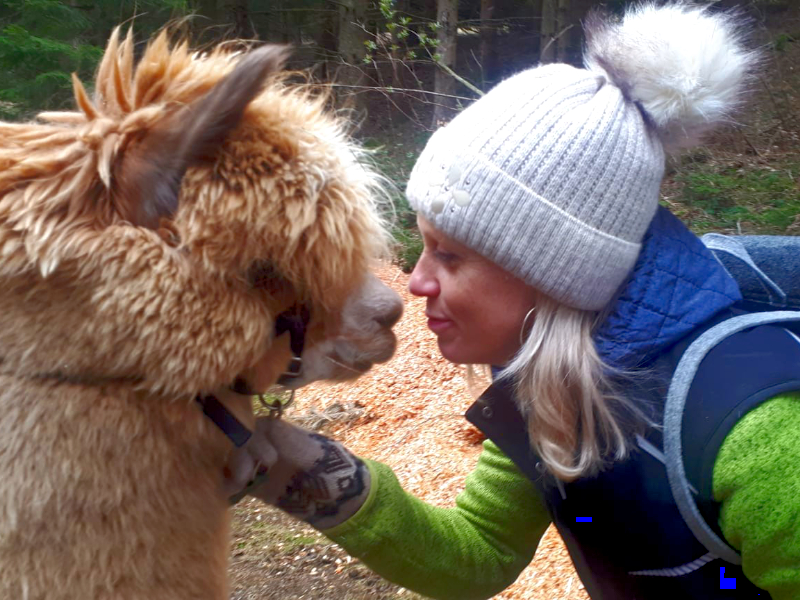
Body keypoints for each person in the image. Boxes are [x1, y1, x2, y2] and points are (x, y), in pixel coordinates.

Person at [224, 3, 800, 599]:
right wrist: (309, 473)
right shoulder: (552, 384)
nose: (415, 284)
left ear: (555, 272)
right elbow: (483, 551)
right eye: (422, 249)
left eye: (449, 256)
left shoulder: (758, 442)